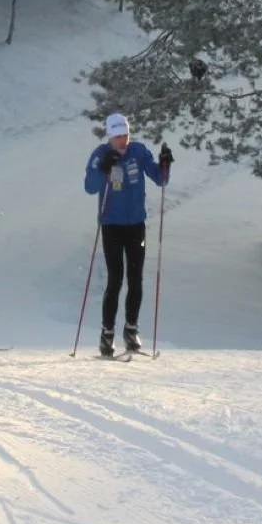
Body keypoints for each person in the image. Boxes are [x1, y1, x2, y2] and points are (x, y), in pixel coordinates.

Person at [83, 113, 172, 357]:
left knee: (136, 278)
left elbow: (160, 179)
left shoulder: (139, 152)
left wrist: (165, 163)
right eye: (118, 136)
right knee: (115, 279)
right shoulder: (100, 154)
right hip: (111, 225)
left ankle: (131, 330)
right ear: (110, 137)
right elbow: (89, 187)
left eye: (125, 135)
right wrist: (103, 169)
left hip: (136, 225)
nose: (123, 141)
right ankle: (107, 334)